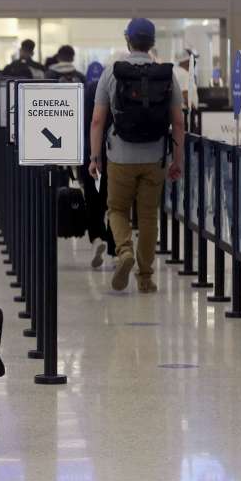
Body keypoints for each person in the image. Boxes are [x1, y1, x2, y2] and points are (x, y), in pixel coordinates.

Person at [88, 19, 185, 293]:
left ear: (127, 40)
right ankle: (145, 277)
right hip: (155, 156)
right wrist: (178, 161)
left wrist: (95, 157)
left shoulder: (112, 73)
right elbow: (178, 123)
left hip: (119, 155)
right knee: (148, 217)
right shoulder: (167, 75)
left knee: (117, 210)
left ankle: (124, 251)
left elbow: (97, 121)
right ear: (152, 42)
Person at [81, 61, 115, 268]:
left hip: (90, 152)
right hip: (115, 152)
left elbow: (91, 123)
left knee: (93, 200)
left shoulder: (85, 92)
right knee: (115, 203)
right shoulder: (114, 90)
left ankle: (97, 238)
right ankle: (114, 246)